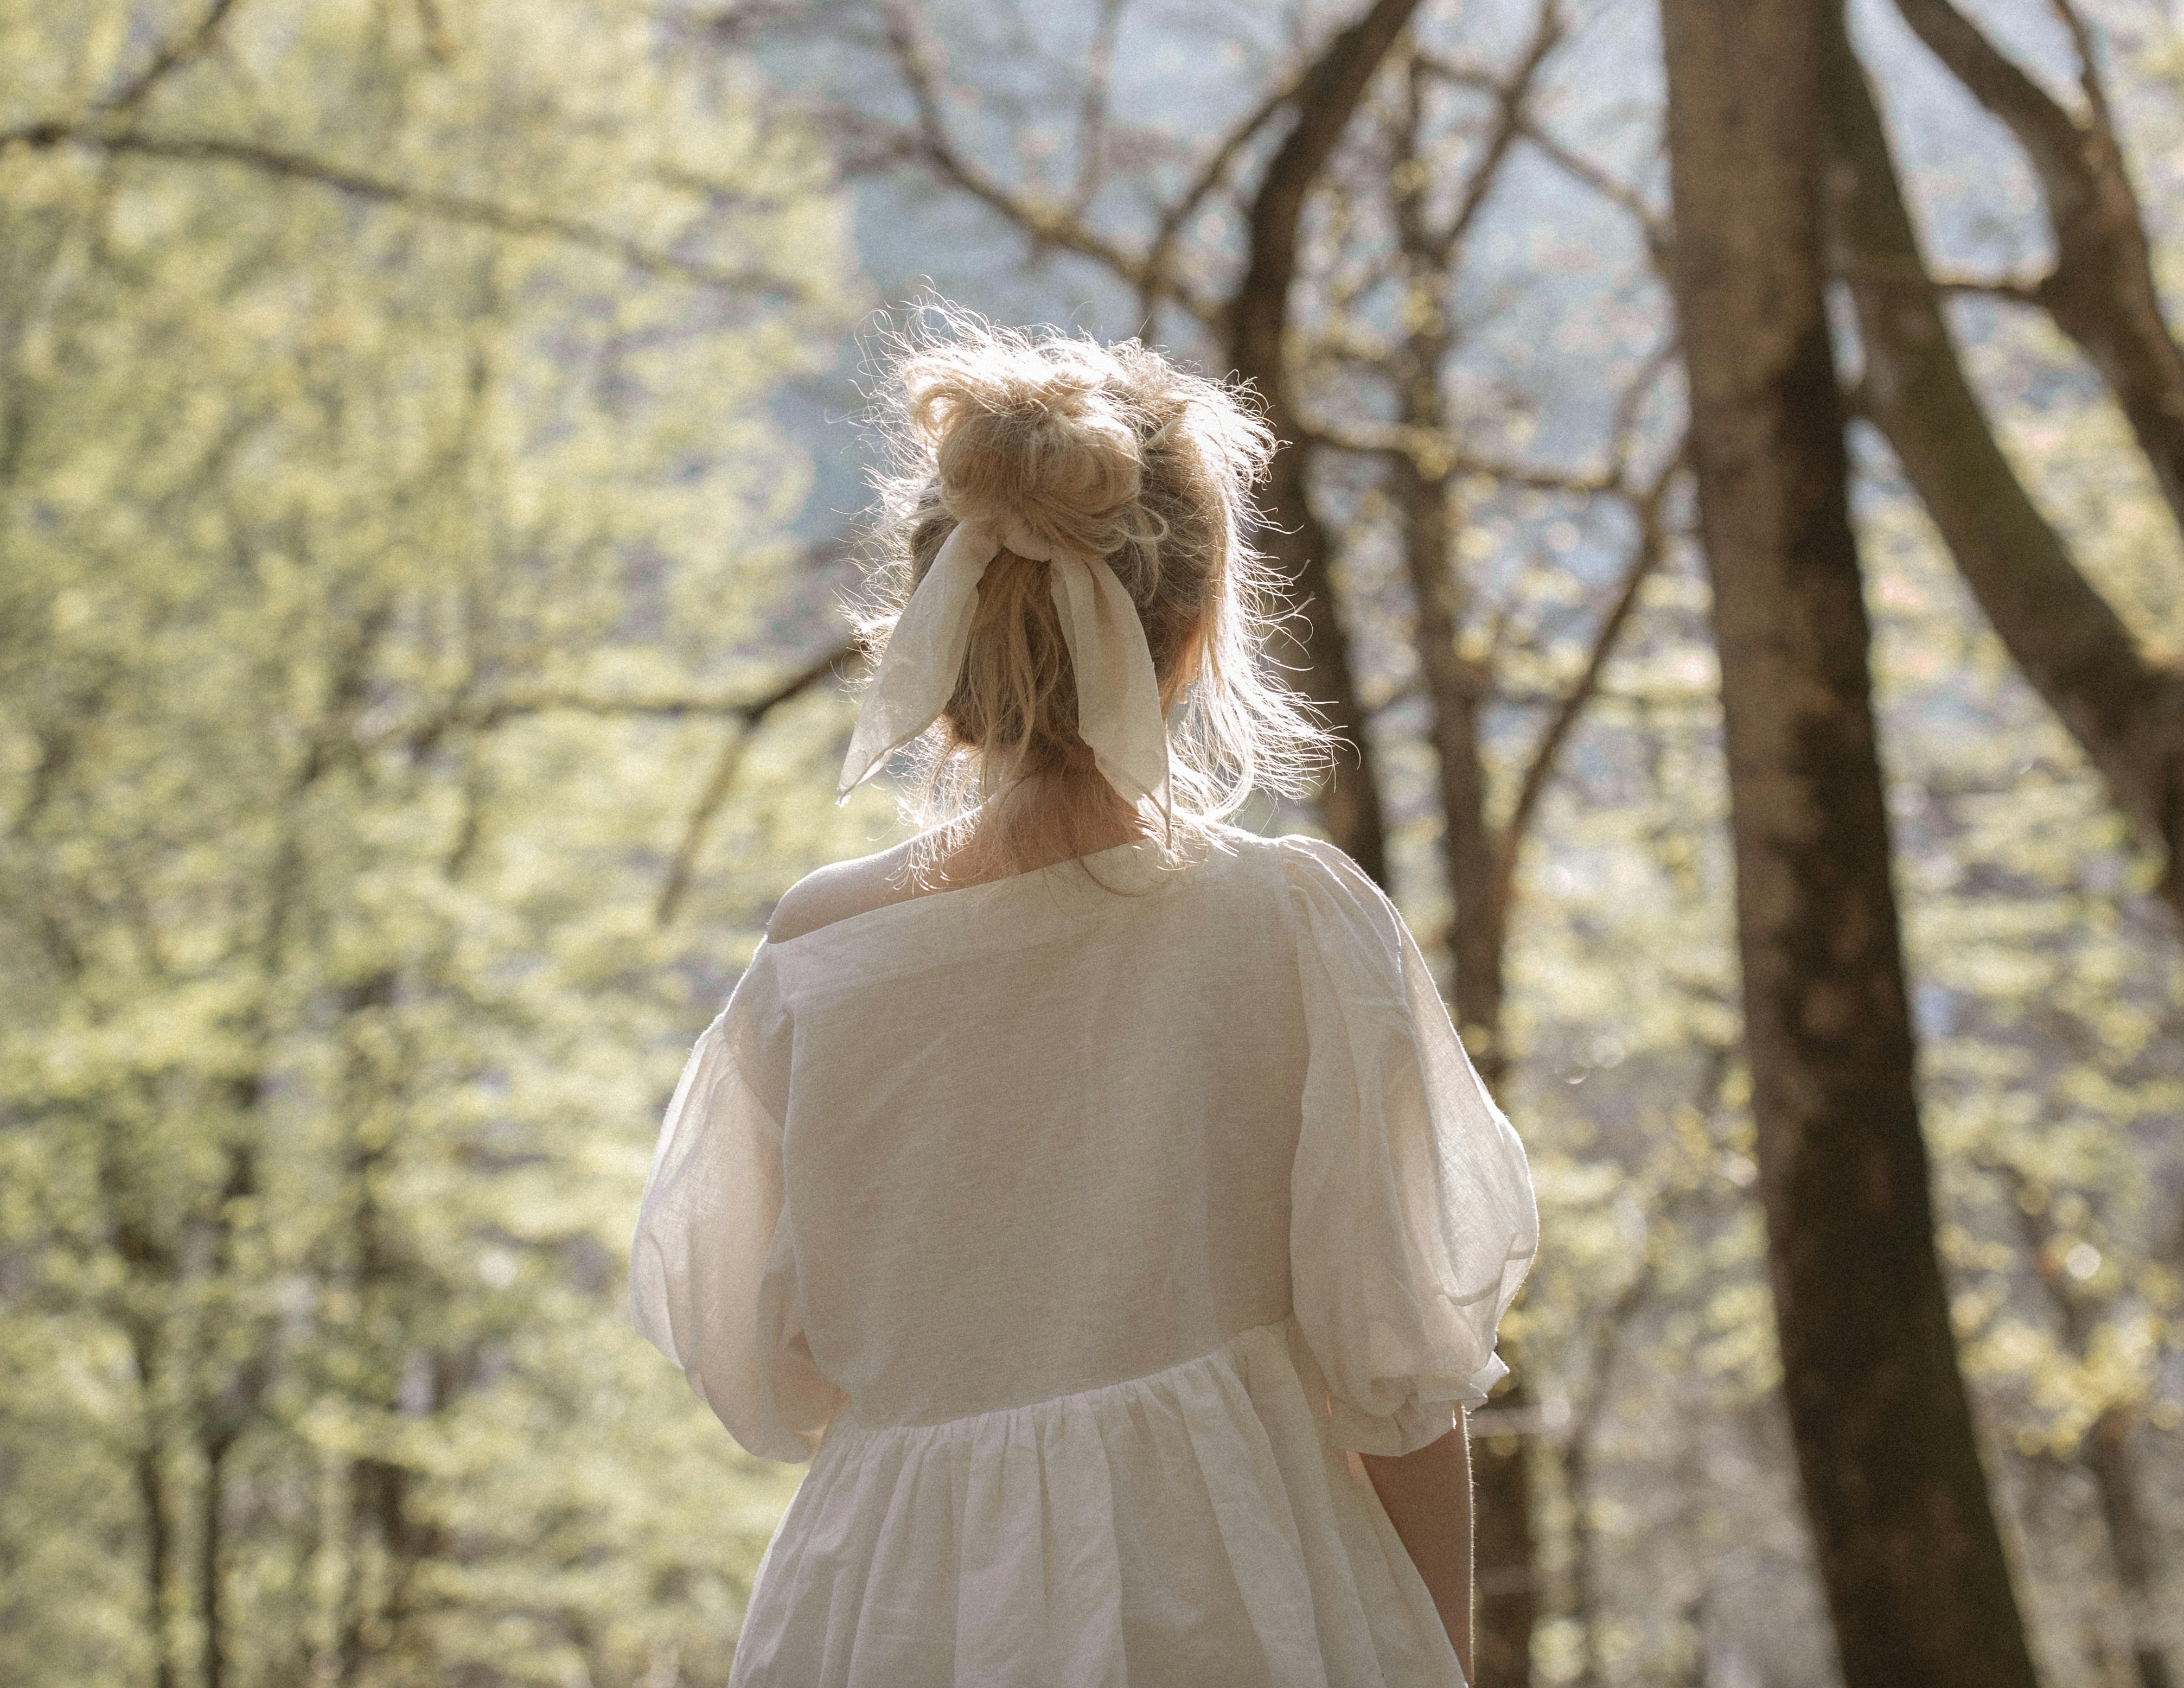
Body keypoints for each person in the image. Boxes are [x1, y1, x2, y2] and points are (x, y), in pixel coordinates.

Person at [630, 320, 1541, 1687]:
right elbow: (1400, 1382)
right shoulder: (1288, 924)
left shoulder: (819, 953)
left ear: (939, 640)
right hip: (1231, 1601)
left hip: (893, 1614)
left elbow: (776, 1372)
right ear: (1194, 633)